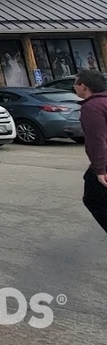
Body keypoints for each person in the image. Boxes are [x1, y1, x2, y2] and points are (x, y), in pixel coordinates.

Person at [74, 69, 107, 234]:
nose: (74, 87)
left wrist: (100, 169)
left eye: (76, 83)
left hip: (104, 161)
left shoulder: (92, 107)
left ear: (83, 86)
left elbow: (97, 139)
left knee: (93, 199)